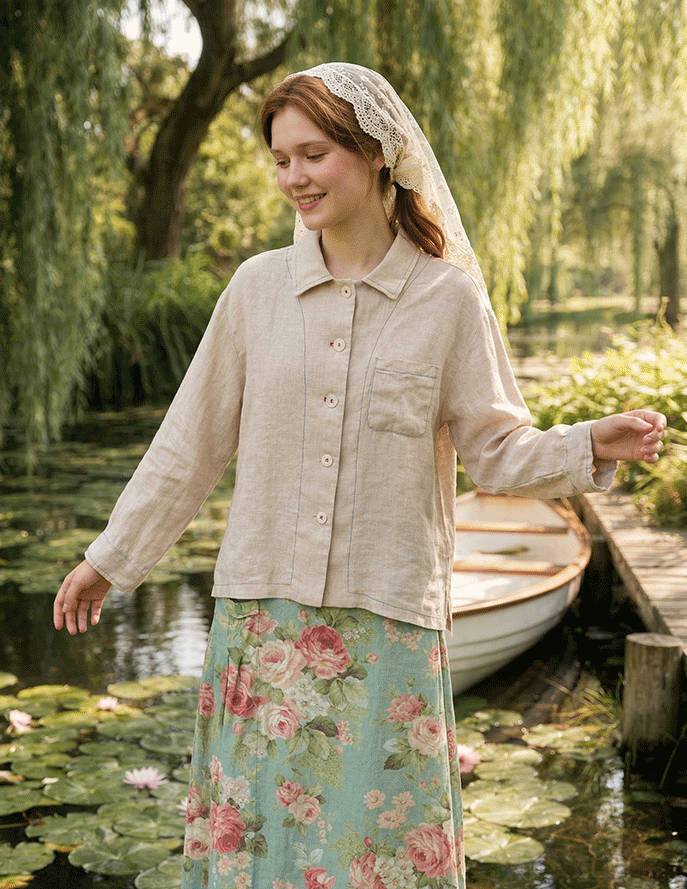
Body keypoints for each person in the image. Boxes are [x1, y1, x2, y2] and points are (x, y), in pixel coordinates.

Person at [54, 63, 666, 889]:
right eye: (281, 160)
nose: (294, 177)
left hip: (388, 623)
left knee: (380, 859)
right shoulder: (255, 291)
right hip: (262, 622)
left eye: (314, 154)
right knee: (257, 851)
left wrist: (589, 442)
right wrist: (110, 558)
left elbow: (495, 449)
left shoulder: (446, 298)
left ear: (378, 152)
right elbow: (185, 448)